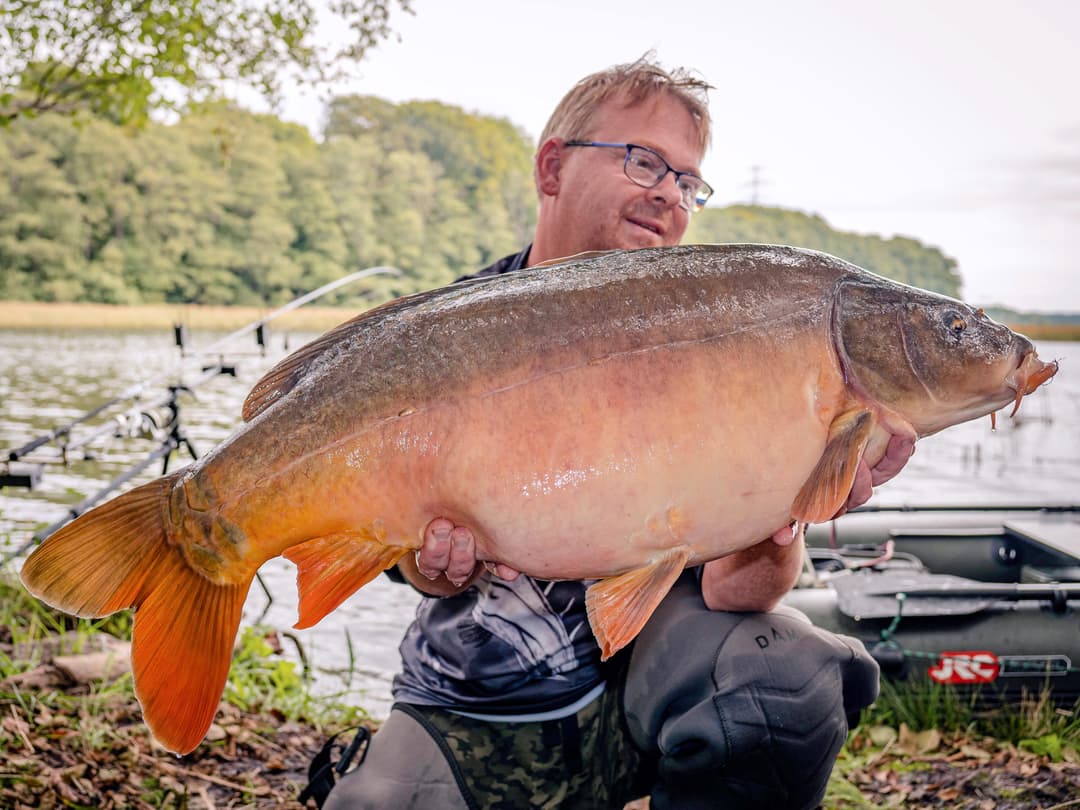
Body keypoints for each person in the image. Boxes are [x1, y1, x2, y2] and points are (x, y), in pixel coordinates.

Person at [314, 55, 914, 810]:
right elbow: (407, 565)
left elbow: (738, 593)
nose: (670, 194)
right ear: (553, 167)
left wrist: (792, 497)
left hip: (644, 691)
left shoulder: (718, 339)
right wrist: (433, 565)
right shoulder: (447, 334)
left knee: (789, 672)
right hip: (476, 699)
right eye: (645, 162)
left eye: (689, 181)